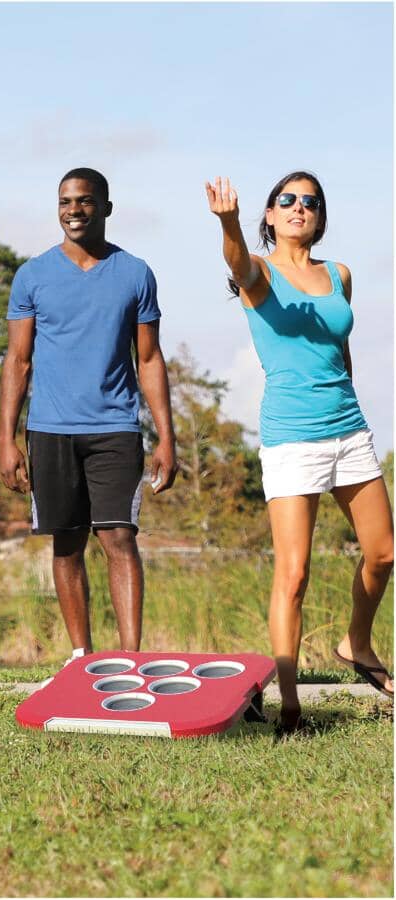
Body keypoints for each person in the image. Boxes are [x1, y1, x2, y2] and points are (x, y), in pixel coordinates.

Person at [206, 171, 394, 732]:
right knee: (294, 574)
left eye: (310, 202)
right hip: (292, 435)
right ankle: (290, 705)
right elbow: (238, 263)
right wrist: (228, 222)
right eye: (287, 200)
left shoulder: (339, 274)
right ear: (270, 215)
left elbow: (341, 349)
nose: (299, 207)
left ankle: (356, 643)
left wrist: (352, 409)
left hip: (349, 428)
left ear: (320, 216)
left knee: (384, 553)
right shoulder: (259, 274)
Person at [0, 167, 178, 670]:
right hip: (50, 429)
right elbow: (18, 360)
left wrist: (166, 437)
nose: (73, 210)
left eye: (84, 201)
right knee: (67, 542)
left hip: (116, 427)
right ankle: (81, 657)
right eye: (65, 201)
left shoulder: (135, 273)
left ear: (105, 207)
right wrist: (6, 439)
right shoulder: (32, 275)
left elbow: (149, 359)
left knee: (119, 537)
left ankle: (130, 661)